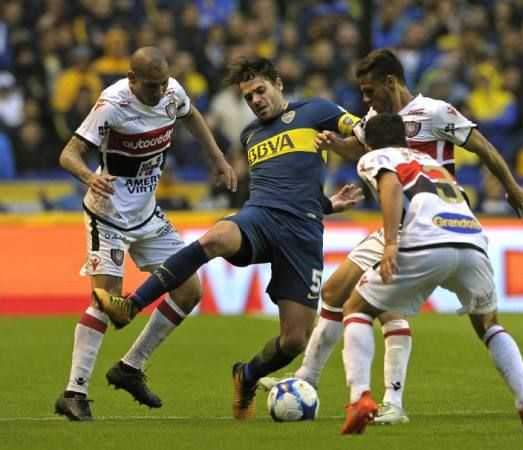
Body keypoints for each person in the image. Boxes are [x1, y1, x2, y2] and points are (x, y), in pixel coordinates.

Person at [259, 48, 523, 425]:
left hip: (424, 223)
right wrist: (335, 145)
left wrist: (511, 187)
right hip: (404, 223)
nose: (366, 102)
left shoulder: (434, 112)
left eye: (370, 92)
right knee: (337, 291)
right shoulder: (376, 119)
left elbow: (480, 146)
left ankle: (389, 402)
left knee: (376, 306)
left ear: (391, 82)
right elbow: (361, 142)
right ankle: (308, 380)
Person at [92, 57, 364, 420]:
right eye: (248, 96)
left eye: (260, 90)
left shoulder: (318, 110)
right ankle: (130, 305)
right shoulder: (250, 134)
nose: (255, 100)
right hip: (261, 218)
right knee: (215, 237)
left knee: (295, 340)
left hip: (303, 234)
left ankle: (247, 375)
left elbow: (364, 136)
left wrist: (331, 196)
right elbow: (283, 188)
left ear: (278, 83)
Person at [54, 47, 237, 421]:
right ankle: (74, 392)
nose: (159, 92)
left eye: (163, 83)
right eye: (150, 86)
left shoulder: (171, 92)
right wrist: (91, 176)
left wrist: (217, 158)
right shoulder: (111, 104)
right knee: (108, 300)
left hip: (148, 215)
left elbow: (192, 115)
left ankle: (130, 367)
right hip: (108, 215)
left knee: (189, 290)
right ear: (132, 80)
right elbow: (68, 154)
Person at [340, 112, 523, 435]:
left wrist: (391, 244)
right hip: (471, 240)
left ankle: (360, 399)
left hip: (426, 240)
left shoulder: (375, 156)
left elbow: (391, 185)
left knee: (355, 308)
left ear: (371, 141)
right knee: (490, 326)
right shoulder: (426, 159)